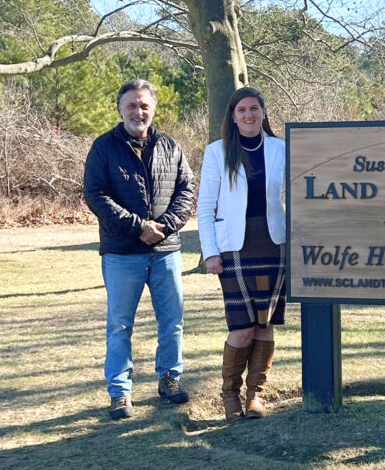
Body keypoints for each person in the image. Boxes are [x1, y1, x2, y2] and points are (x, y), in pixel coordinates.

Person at [83, 79, 195, 420]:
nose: (138, 111)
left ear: (153, 108)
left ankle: (170, 380)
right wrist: (138, 227)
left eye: (144, 105)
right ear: (120, 108)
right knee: (119, 325)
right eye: (131, 105)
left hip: (166, 251)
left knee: (172, 321)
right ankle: (120, 392)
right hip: (121, 253)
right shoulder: (103, 147)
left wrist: (164, 227)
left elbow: (187, 190)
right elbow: (96, 195)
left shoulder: (171, 147)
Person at [197, 86, 287, 420]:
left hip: (274, 245)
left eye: (254, 109)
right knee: (241, 328)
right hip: (235, 249)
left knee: (264, 325)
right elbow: (205, 207)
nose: (248, 115)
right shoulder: (217, 152)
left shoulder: (282, 148)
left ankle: (256, 396)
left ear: (264, 113)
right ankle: (230, 396)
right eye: (241, 110)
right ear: (233, 118)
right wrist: (210, 253)